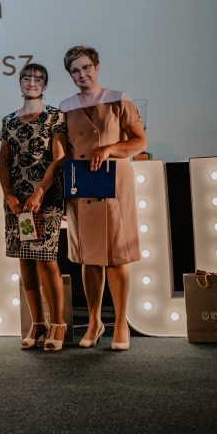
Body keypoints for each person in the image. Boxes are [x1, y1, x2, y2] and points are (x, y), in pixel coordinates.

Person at [60, 46, 147, 351]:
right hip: (82, 185)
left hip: (114, 183)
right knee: (90, 257)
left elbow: (139, 141)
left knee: (117, 255)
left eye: (86, 68)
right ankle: (95, 322)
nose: (82, 74)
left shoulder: (119, 98)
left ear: (96, 67)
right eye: (75, 71)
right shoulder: (65, 107)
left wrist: (109, 148)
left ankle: (121, 323)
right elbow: (64, 152)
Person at [0, 63, 68, 351]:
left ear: (45, 85)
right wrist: (8, 195)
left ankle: (58, 325)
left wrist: (39, 192)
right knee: (25, 259)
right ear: (20, 83)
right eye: (27, 78)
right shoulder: (8, 121)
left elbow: (59, 159)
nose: (32, 82)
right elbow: (4, 162)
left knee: (46, 259)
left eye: (38, 79)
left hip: (45, 198)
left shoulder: (55, 116)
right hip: (18, 202)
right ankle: (37, 323)